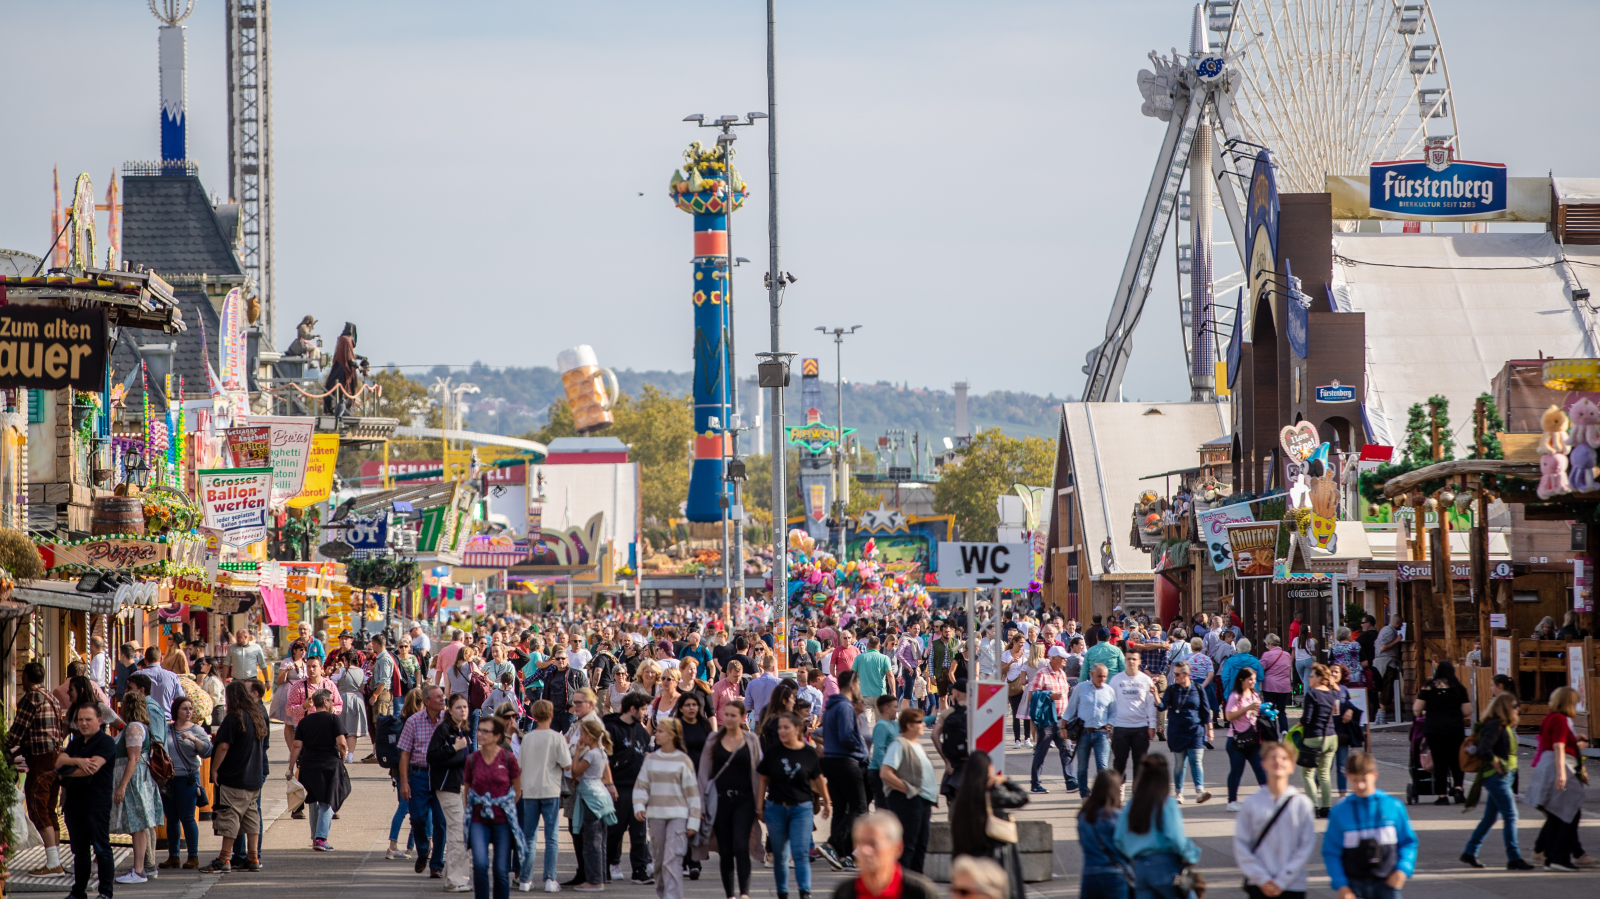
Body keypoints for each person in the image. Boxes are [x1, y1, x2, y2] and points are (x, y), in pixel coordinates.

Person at [1322, 751, 1417, 899]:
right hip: (1353, 887)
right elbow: (1331, 851)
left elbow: (1408, 842)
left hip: (1388, 883)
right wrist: (1341, 885)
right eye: (1354, 780)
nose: (1360, 785)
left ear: (1374, 775)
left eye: (1364, 780)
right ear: (1347, 777)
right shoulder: (1339, 812)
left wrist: (1402, 870)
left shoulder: (1393, 807)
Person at [1460, 692, 1534, 871]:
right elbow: (1484, 749)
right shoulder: (1494, 725)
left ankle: (1470, 852)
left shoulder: (1504, 725)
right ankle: (1513, 857)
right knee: (1511, 815)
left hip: (1504, 776)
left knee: (1490, 817)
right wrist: (1496, 762)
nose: (1518, 710)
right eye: (1515, 706)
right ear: (1506, 708)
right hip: (1496, 776)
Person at [1235, 741, 1317, 899]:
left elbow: (1305, 846)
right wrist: (1262, 878)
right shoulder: (1251, 803)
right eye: (1272, 757)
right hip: (1258, 884)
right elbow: (1241, 845)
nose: (1278, 761)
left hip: (1293, 884)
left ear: (1292, 766)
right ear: (1263, 764)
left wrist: (1282, 880)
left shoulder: (1301, 803)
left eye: (1284, 758)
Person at [696, 700, 762, 895]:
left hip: (745, 800)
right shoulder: (713, 740)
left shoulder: (751, 740)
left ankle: (744, 893)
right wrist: (699, 804)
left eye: (734, 715)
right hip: (720, 801)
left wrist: (760, 804)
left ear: (743, 717)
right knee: (725, 851)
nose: (729, 719)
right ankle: (730, 894)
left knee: (741, 845)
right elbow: (703, 773)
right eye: (727, 714)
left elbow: (759, 773)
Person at [203, 680, 268, 873]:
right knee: (251, 817)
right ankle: (253, 857)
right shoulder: (256, 716)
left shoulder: (233, 718)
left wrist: (214, 769)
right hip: (253, 777)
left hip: (234, 776)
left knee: (230, 816)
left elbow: (223, 746)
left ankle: (224, 858)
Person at [1114, 754, 1201, 899]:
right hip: (1166, 866)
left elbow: (1119, 839)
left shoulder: (1132, 804)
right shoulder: (1167, 803)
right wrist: (1191, 855)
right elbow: (1176, 839)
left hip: (1139, 869)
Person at [8, 661, 65, 876]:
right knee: (50, 808)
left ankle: (53, 864)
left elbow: (16, 732)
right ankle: (56, 859)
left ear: (25, 677)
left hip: (40, 758)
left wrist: (6, 746)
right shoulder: (51, 696)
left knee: (38, 807)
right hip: (56, 757)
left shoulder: (31, 698)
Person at [633, 717, 700, 899]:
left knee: (673, 859)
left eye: (660, 731)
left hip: (678, 816)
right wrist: (639, 805)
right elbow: (641, 785)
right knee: (660, 860)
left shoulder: (683, 760)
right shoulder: (651, 759)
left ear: (672, 735)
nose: (656, 734)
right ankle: (663, 894)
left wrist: (693, 820)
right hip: (655, 816)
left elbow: (692, 793)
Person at [1527, 686, 1591, 871]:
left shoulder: (1550, 717)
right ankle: (1559, 856)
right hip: (1559, 765)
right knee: (1569, 811)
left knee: (1556, 813)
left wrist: (1574, 740)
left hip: (1550, 764)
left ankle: (1551, 855)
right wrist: (1562, 773)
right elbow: (1558, 746)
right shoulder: (1561, 719)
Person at [58, 702, 118, 899]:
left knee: (101, 848)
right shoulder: (75, 742)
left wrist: (67, 772)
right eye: (80, 720)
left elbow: (91, 769)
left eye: (88, 719)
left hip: (96, 803)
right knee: (79, 850)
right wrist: (77, 761)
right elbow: (58, 763)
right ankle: (78, 892)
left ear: (99, 721)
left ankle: (105, 893)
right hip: (74, 804)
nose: (83, 723)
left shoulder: (106, 742)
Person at [950, 751, 1028, 899]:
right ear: (988, 768)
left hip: (969, 860)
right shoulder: (991, 793)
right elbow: (1022, 798)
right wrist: (1005, 780)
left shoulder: (962, 796)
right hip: (995, 856)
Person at [110, 690, 165, 884]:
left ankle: (139, 870)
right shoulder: (138, 726)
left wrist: (122, 786)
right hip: (139, 779)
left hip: (134, 780)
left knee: (138, 825)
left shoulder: (134, 727)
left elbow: (133, 759)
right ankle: (143, 869)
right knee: (139, 825)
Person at [465, 715, 523, 899]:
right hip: (478, 820)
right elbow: (467, 791)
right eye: (478, 730)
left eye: (485, 731)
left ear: (497, 735)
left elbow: (517, 791)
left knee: (500, 869)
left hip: (502, 821)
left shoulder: (508, 759)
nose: (480, 734)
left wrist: (503, 807)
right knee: (480, 864)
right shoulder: (472, 759)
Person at [287, 689, 350, 851]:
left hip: (308, 764)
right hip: (329, 764)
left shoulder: (304, 722)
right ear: (325, 702)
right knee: (328, 800)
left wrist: (290, 767)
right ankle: (321, 837)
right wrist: (342, 759)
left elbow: (296, 745)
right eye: (331, 700)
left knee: (313, 800)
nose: (332, 703)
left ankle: (315, 837)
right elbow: (342, 744)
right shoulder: (333, 719)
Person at [518, 700, 571, 892]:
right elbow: (566, 765)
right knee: (551, 837)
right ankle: (550, 878)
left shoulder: (528, 738)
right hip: (551, 789)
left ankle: (525, 879)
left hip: (530, 791)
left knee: (529, 837)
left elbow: (519, 765)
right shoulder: (557, 738)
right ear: (551, 715)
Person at [820, 669, 870, 869]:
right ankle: (833, 844)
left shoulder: (832, 706)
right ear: (853, 684)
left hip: (831, 760)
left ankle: (839, 856)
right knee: (860, 806)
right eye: (858, 684)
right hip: (845, 761)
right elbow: (846, 736)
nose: (859, 688)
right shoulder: (844, 707)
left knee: (841, 809)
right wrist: (862, 751)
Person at [399, 684, 450, 878]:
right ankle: (422, 851)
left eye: (442, 696)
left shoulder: (449, 720)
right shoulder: (413, 721)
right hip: (419, 775)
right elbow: (405, 754)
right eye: (438, 697)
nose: (442, 699)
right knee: (418, 817)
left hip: (442, 776)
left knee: (440, 821)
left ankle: (436, 864)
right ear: (427, 701)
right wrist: (404, 782)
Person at [603, 692, 654, 884]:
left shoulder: (641, 731)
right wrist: (609, 784)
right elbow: (604, 758)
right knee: (615, 830)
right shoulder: (611, 727)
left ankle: (639, 870)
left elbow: (643, 753)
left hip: (639, 788)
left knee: (639, 830)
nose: (645, 713)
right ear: (632, 709)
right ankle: (605, 867)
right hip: (618, 787)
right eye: (642, 709)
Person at [829, 812, 938, 899]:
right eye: (860, 843)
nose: (865, 851)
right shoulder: (845, 893)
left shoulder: (919, 892)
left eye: (873, 843)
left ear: (897, 848)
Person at [159, 695, 213, 870]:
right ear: (176, 711)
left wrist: (194, 740)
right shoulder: (166, 729)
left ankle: (193, 856)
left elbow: (207, 751)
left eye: (191, 708)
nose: (189, 712)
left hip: (188, 779)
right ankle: (173, 856)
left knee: (188, 818)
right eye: (184, 708)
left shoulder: (197, 729)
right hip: (169, 780)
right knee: (172, 819)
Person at [877, 709, 933, 873]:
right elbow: (885, 773)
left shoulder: (915, 744)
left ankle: (915, 886)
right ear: (909, 725)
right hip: (909, 802)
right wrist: (909, 790)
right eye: (919, 722)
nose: (923, 725)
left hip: (921, 802)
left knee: (920, 847)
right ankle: (902, 886)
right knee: (908, 847)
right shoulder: (899, 744)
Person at [430, 693, 476, 892]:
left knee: (461, 831)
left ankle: (455, 876)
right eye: (458, 707)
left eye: (465, 707)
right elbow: (432, 756)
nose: (463, 710)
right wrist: (454, 749)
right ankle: (455, 880)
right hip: (447, 787)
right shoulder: (444, 729)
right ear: (449, 710)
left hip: (462, 787)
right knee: (458, 831)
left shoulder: (463, 730)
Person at [1412, 661, 1470, 804]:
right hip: (1455, 729)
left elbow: (1417, 709)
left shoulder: (1428, 686)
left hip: (1434, 729)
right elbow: (1468, 711)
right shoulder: (1458, 687)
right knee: (1457, 760)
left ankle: (1442, 795)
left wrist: (1427, 711)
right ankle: (1458, 789)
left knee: (1439, 762)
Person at [571, 718, 618, 893]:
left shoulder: (590, 754)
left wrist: (576, 752)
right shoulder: (602, 753)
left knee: (591, 841)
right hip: (601, 795)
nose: (580, 737)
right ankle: (601, 875)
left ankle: (594, 880)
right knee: (601, 841)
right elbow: (605, 777)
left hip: (591, 798)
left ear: (589, 736)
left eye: (582, 733)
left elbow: (575, 771)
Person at [1028, 646, 1078, 793]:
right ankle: (1035, 784)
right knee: (1041, 752)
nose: (1065, 660)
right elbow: (1032, 696)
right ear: (1053, 658)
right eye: (1062, 657)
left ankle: (1071, 782)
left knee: (1067, 749)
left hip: (1062, 720)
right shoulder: (1041, 674)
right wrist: (1049, 696)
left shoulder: (1062, 673)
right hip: (1047, 720)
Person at [1161, 660, 1212, 804]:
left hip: (1196, 731)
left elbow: (1205, 710)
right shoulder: (1171, 689)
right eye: (1174, 674)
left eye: (1177, 674)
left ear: (1186, 674)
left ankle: (1200, 791)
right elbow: (1161, 706)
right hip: (1177, 731)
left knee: (1196, 761)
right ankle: (1179, 792)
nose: (1174, 676)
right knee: (1179, 764)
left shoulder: (1198, 688)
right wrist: (1154, 695)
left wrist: (1210, 729)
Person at [1299, 663, 1344, 816]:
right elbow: (1337, 695)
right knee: (1324, 773)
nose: (1309, 678)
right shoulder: (1332, 694)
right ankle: (1326, 807)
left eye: (1311, 676)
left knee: (1308, 774)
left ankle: (1313, 806)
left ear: (1319, 678)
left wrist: (1299, 724)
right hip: (1331, 737)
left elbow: (1307, 719)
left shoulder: (1311, 694)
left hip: (1314, 737)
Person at [1063, 664, 1115, 796]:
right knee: (1082, 767)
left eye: (1104, 676)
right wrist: (1063, 726)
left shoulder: (1109, 690)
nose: (1102, 679)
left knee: (1103, 767)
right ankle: (1084, 794)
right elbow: (1070, 709)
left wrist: (1108, 726)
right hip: (1083, 733)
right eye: (1099, 676)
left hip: (1101, 734)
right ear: (1091, 674)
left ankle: (1102, 796)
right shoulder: (1081, 688)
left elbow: (1114, 712)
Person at [1077, 771, 1127, 899]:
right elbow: (1124, 846)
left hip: (1089, 872)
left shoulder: (1084, 816)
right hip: (1114, 872)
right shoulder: (1117, 816)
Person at [1109, 653, 1158, 780]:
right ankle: (1119, 789)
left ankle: (1138, 794)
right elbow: (1109, 704)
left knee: (1140, 764)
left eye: (1134, 659)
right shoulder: (1116, 680)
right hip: (1120, 727)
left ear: (1139, 661)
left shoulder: (1145, 680)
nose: (1131, 661)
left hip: (1140, 727)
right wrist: (1110, 725)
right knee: (1119, 763)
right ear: (1125, 661)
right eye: (1129, 659)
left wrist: (1152, 726)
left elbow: (1151, 705)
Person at [1224, 667, 1268, 812]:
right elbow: (1229, 716)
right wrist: (1247, 708)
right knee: (1237, 771)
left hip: (1253, 738)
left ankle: (1268, 798)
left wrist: (1265, 710)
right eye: (1250, 679)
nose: (1253, 682)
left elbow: (1257, 712)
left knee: (1260, 769)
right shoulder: (1235, 696)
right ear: (1241, 680)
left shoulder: (1255, 694)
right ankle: (1232, 801)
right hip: (1237, 739)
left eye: (1254, 680)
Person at [867, 695, 900, 805]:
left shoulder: (894, 724)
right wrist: (885, 771)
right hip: (879, 772)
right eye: (895, 707)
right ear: (886, 709)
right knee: (884, 808)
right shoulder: (881, 726)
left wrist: (931, 717)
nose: (897, 710)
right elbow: (878, 751)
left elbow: (910, 724)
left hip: (888, 770)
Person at [1372, 615, 1403, 724]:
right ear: (1397, 623)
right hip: (1387, 663)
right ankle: (1382, 717)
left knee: (1383, 689)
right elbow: (1383, 647)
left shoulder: (1384, 630)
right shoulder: (1390, 631)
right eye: (1401, 624)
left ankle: (1379, 718)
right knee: (1386, 689)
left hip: (1381, 662)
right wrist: (1397, 640)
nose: (1402, 626)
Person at [1260, 635, 1294, 713]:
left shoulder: (1266, 655)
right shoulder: (1287, 655)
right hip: (1284, 686)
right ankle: (1284, 725)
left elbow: (1260, 668)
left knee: (1270, 710)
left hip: (1270, 686)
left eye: (1267, 644)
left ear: (1270, 644)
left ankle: (1272, 725)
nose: (1267, 646)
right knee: (1282, 711)